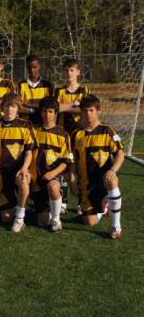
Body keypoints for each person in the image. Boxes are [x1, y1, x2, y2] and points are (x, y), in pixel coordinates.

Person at [71, 95, 124, 239]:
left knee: (113, 180)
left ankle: (116, 227)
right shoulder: (76, 134)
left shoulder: (107, 131)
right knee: (89, 222)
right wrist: (72, 179)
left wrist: (113, 170)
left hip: (104, 180)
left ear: (98, 111)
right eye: (85, 111)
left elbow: (120, 153)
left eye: (91, 110)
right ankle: (104, 207)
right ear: (81, 112)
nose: (88, 114)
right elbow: (73, 159)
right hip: (87, 184)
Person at [0, 92, 37, 233]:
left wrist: (25, 168)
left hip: (19, 172)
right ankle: (17, 205)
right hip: (1, 174)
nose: (10, 109)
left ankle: (20, 219)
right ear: (2, 107)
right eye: (7, 106)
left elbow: (29, 151)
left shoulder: (26, 125)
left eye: (13, 106)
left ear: (18, 108)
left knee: (23, 179)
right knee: (6, 218)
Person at [30, 96, 73, 232]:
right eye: (44, 111)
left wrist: (52, 173)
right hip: (37, 177)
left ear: (55, 113)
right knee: (41, 222)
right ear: (40, 113)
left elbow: (66, 161)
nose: (47, 115)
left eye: (50, 112)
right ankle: (51, 207)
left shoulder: (63, 134)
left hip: (55, 176)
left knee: (53, 186)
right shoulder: (34, 131)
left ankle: (56, 220)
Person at [55, 58, 91, 215]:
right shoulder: (59, 91)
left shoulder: (84, 90)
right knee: (63, 167)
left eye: (72, 70)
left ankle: (81, 202)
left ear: (78, 72)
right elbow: (55, 108)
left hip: (80, 134)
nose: (69, 73)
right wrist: (73, 105)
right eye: (66, 70)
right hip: (63, 134)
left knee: (80, 167)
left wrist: (66, 107)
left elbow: (85, 109)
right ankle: (63, 202)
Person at [18, 54, 54, 126]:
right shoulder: (21, 84)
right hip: (25, 124)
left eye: (35, 67)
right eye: (29, 67)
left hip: (43, 123)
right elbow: (19, 106)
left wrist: (28, 104)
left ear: (40, 66)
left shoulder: (47, 85)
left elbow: (49, 106)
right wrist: (37, 109)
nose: (32, 70)